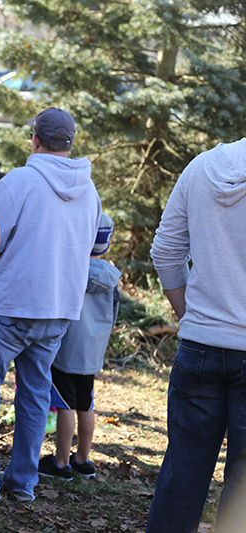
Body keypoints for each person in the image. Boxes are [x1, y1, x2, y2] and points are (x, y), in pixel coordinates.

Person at [0, 107, 101, 503]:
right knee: (34, 395)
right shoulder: (90, 190)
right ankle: (23, 482)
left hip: (14, 304)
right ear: (70, 142)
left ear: (34, 140)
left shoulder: (19, 183)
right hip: (62, 307)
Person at [146, 138, 246, 532]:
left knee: (182, 471)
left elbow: (165, 250)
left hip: (200, 346)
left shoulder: (202, 166)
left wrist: (193, 317)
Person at [37, 213, 120, 481]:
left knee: (64, 405)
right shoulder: (111, 278)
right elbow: (113, 316)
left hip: (66, 350)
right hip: (92, 354)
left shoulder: (71, 271)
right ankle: (84, 460)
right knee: (86, 404)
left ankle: (61, 463)